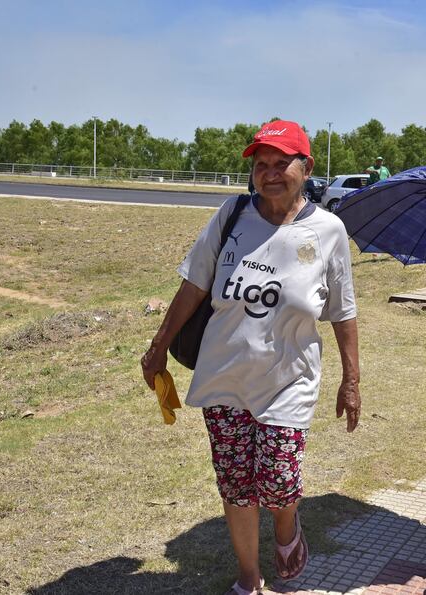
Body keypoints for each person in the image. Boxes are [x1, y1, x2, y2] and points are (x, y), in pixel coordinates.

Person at [140, 120, 362, 595]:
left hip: (289, 381)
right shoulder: (233, 214)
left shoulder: (328, 231)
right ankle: (249, 579)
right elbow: (195, 283)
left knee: (279, 482)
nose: (270, 173)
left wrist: (352, 380)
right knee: (237, 487)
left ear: (307, 168)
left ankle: (286, 527)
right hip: (225, 376)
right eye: (262, 165)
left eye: (282, 163)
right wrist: (158, 348)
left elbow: (343, 311)